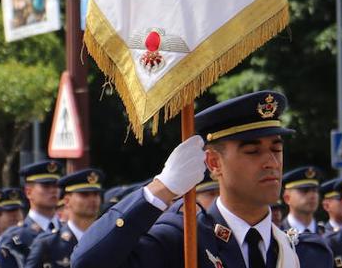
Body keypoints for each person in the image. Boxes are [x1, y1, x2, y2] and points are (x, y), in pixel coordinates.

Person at [71, 89, 328, 268]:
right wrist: (161, 188)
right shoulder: (183, 241)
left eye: (276, 149)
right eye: (252, 151)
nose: (271, 163)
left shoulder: (306, 253)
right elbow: (88, 262)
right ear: (214, 163)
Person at [25, 169, 103, 268]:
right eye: (84, 194)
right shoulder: (48, 244)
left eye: (96, 194)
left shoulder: (106, 238)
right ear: (66, 201)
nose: (92, 199)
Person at [0, 160, 63, 268]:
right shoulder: (14, 239)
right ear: (28, 192)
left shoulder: (67, 231)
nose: (53, 190)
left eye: (56, 185)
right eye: (46, 186)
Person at [282, 168, 325, 234]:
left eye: (315, 190)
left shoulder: (328, 237)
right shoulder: (276, 235)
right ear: (287, 198)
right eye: (304, 190)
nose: (312, 195)